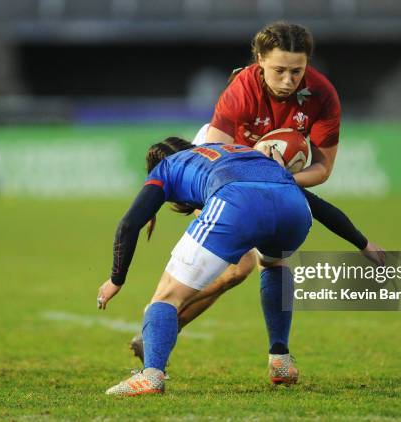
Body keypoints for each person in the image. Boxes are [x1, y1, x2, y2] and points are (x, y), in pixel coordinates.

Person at [129, 21, 385, 363]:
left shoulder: (322, 95)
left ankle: (176, 326)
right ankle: (162, 320)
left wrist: (277, 181)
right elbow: (218, 160)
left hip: (267, 175)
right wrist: (259, 173)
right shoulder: (241, 90)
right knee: (241, 265)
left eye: (298, 71)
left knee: (265, 261)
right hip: (221, 164)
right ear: (259, 60)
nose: (289, 81)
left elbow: (322, 169)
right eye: (279, 70)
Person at [98, 138, 313, 396]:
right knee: (273, 263)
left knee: (166, 297)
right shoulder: (227, 150)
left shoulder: (167, 167)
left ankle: (152, 375)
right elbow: (316, 204)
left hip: (237, 203)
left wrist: (116, 280)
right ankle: (280, 360)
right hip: (296, 208)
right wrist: (362, 242)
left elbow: (128, 225)